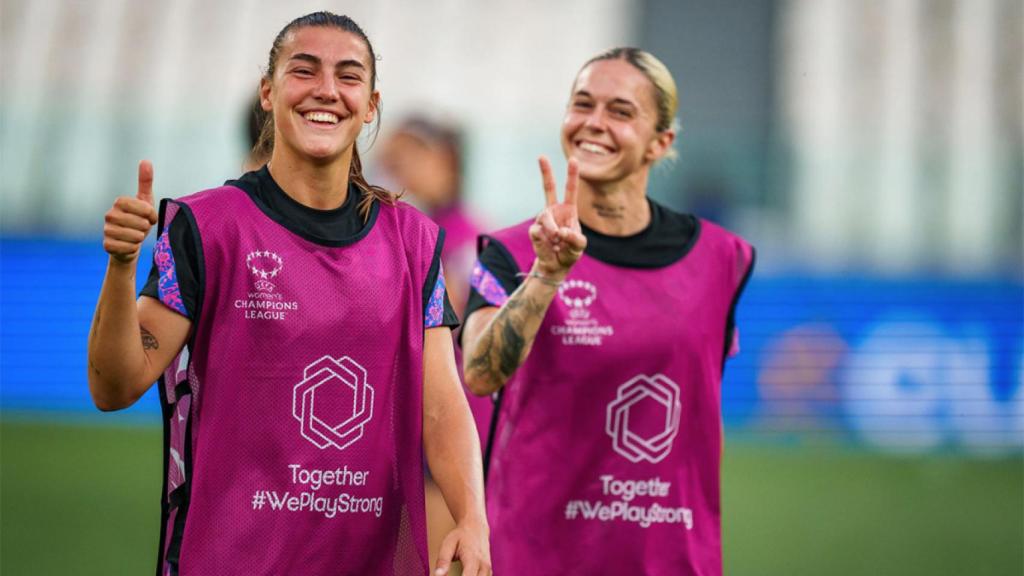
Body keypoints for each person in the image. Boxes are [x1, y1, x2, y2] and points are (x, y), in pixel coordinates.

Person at [87, 12, 490, 576]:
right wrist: (122, 267)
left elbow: (443, 406)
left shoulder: (415, 244)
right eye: (305, 70)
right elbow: (114, 384)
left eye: (348, 76)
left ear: (370, 104)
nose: (327, 90)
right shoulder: (206, 228)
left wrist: (473, 517)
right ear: (269, 92)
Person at [460, 47, 755, 575]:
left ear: (660, 142)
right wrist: (546, 275)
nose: (593, 123)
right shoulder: (512, 252)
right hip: (537, 556)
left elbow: (703, 417)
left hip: (669, 559)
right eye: (582, 104)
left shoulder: (720, 259)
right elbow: (479, 375)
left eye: (620, 111)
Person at [377, 116, 491, 574]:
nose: (396, 168)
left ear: (445, 161)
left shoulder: (462, 235)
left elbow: (462, 319)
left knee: (436, 562)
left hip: (452, 418)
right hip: (412, 415)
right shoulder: (413, 228)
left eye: (408, 156)